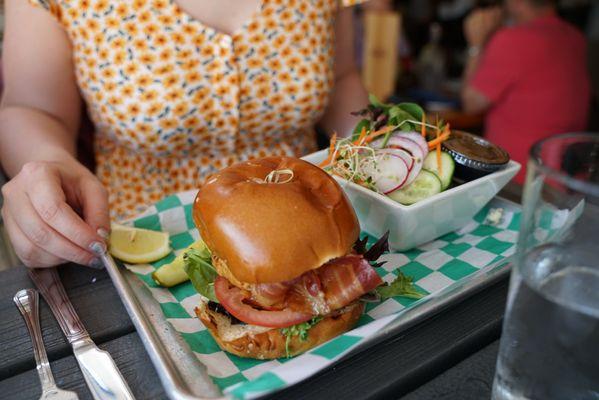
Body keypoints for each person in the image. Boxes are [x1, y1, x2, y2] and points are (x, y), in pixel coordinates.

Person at [0, 0, 369, 269]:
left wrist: (376, 149)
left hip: (305, 228)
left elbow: (341, 78)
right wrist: (49, 162)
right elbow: (32, 107)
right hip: (145, 245)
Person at [461, 0, 591, 182]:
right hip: (568, 179)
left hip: (517, 178)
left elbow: (471, 103)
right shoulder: (576, 37)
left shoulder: (511, 39)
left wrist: (476, 44)